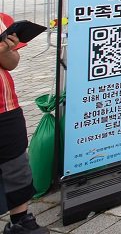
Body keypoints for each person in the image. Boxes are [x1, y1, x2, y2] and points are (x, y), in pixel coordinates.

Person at [0, 13, 50, 234]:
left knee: (16, 164)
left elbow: (11, 63)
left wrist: (7, 49)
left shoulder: (1, 19)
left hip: (6, 106)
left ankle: (20, 220)